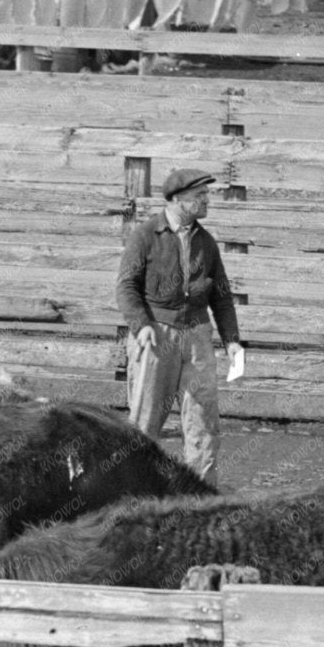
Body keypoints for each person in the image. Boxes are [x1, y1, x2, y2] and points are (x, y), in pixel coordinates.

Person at [116, 166, 246, 485]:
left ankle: (200, 497)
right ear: (177, 200)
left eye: (206, 195)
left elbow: (222, 296)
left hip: (198, 339)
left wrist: (231, 341)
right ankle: (134, 495)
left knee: (203, 423)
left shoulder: (207, 243)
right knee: (145, 422)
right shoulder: (146, 236)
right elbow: (126, 286)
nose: (206, 201)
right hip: (155, 338)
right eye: (199, 196)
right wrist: (141, 324)